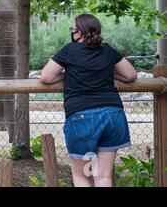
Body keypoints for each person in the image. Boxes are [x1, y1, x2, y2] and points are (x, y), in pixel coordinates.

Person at [40, 14, 137, 187]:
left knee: (82, 176)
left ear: (79, 32)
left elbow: (46, 77)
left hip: (82, 118)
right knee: (103, 176)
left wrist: (67, 73)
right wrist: (105, 71)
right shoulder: (108, 50)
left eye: (73, 29)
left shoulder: (69, 50)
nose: (72, 32)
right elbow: (130, 75)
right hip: (112, 115)